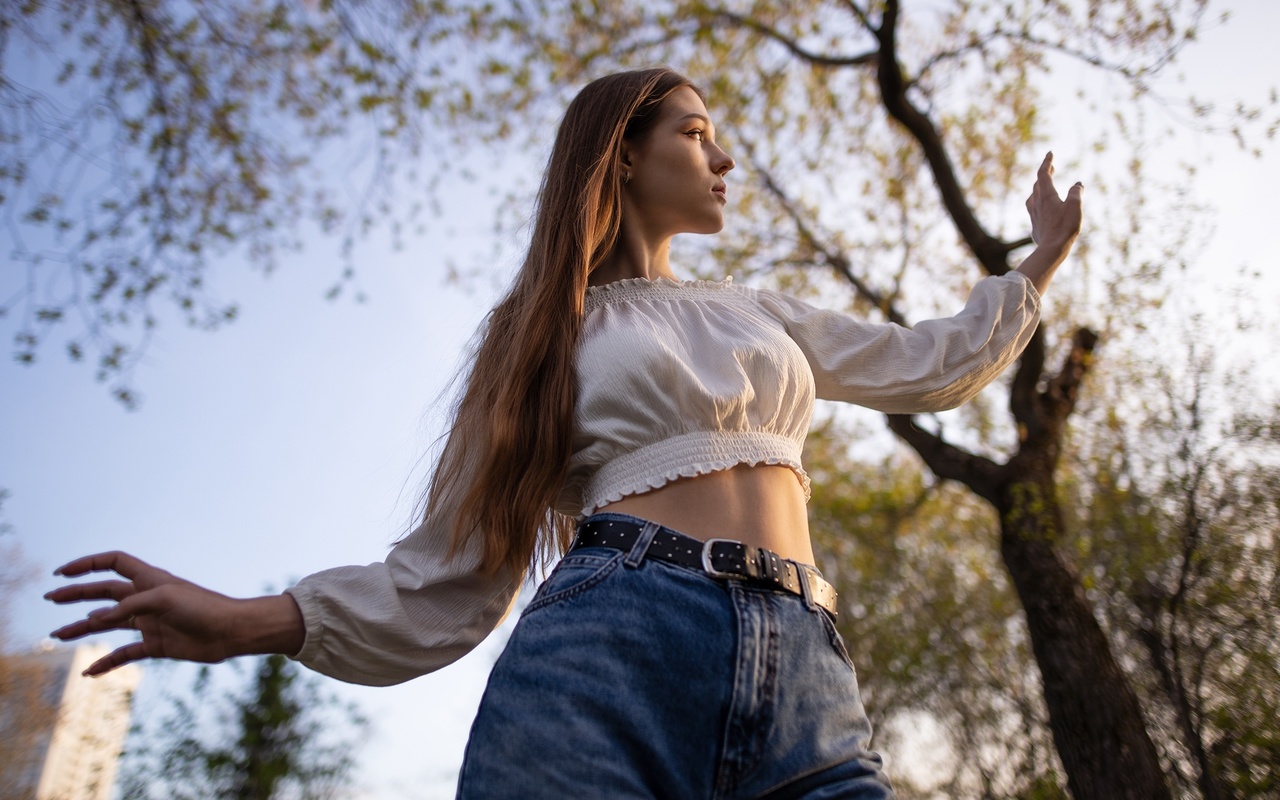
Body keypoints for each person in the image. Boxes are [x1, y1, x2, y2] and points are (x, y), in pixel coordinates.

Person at [46, 67, 1082, 798]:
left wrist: (1035, 261)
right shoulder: (544, 329)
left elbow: (929, 364)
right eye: (691, 130)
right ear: (620, 154)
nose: (720, 155)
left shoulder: (757, 310)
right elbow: (448, 573)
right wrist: (250, 619)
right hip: (610, 644)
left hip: (808, 665)